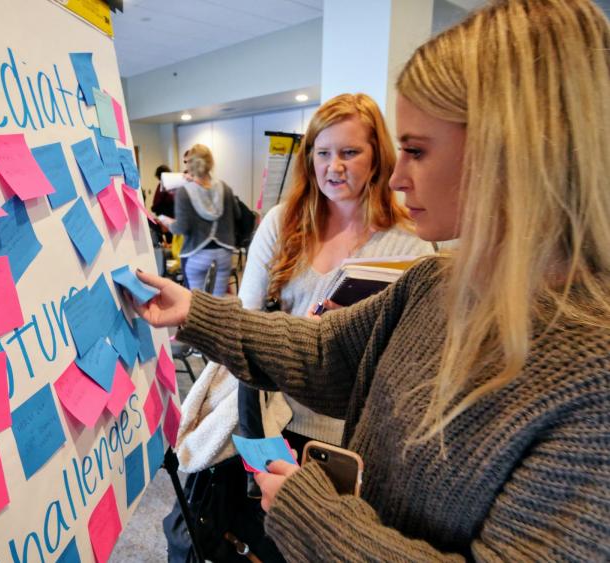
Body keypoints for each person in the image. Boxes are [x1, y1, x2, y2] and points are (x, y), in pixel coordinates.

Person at [132, 0, 610, 559]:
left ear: (511, 152)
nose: (399, 176)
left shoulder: (591, 377)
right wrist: (195, 310)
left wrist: (311, 514)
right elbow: (324, 353)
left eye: (416, 151)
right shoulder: (437, 281)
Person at [236, 92, 433, 496]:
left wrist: (346, 336)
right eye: (322, 153)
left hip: (359, 434)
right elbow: (245, 324)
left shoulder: (410, 246)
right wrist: (301, 336)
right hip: (278, 418)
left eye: (349, 152)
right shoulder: (282, 223)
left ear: (377, 157)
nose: (334, 167)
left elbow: (418, 361)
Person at [159, 144, 240, 296]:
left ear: (190, 165)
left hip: (196, 253)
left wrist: (167, 222)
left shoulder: (184, 192)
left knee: (197, 304)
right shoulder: (225, 188)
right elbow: (237, 214)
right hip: (223, 253)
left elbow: (180, 228)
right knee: (217, 302)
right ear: (210, 163)